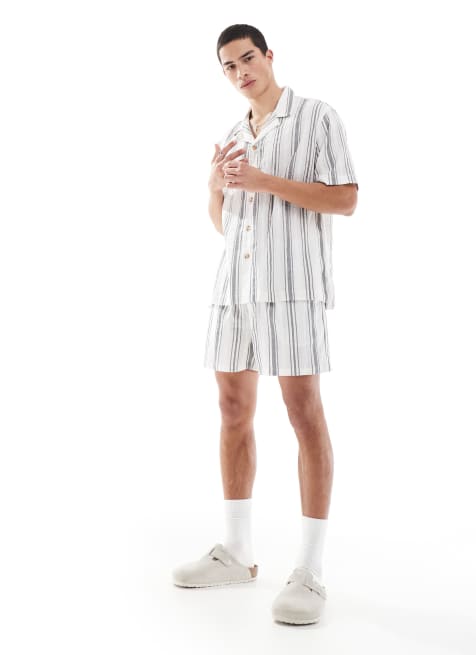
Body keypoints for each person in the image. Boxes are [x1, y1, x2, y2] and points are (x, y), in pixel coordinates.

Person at [172, 24, 359, 626]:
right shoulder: (233, 135)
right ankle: (237, 551)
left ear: (269, 56)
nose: (240, 72)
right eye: (229, 66)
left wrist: (264, 181)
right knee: (232, 409)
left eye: (247, 59)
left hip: (293, 290)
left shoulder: (317, 117)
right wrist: (214, 187)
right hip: (235, 290)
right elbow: (226, 225)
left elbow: (346, 199)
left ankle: (310, 569)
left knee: (304, 413)